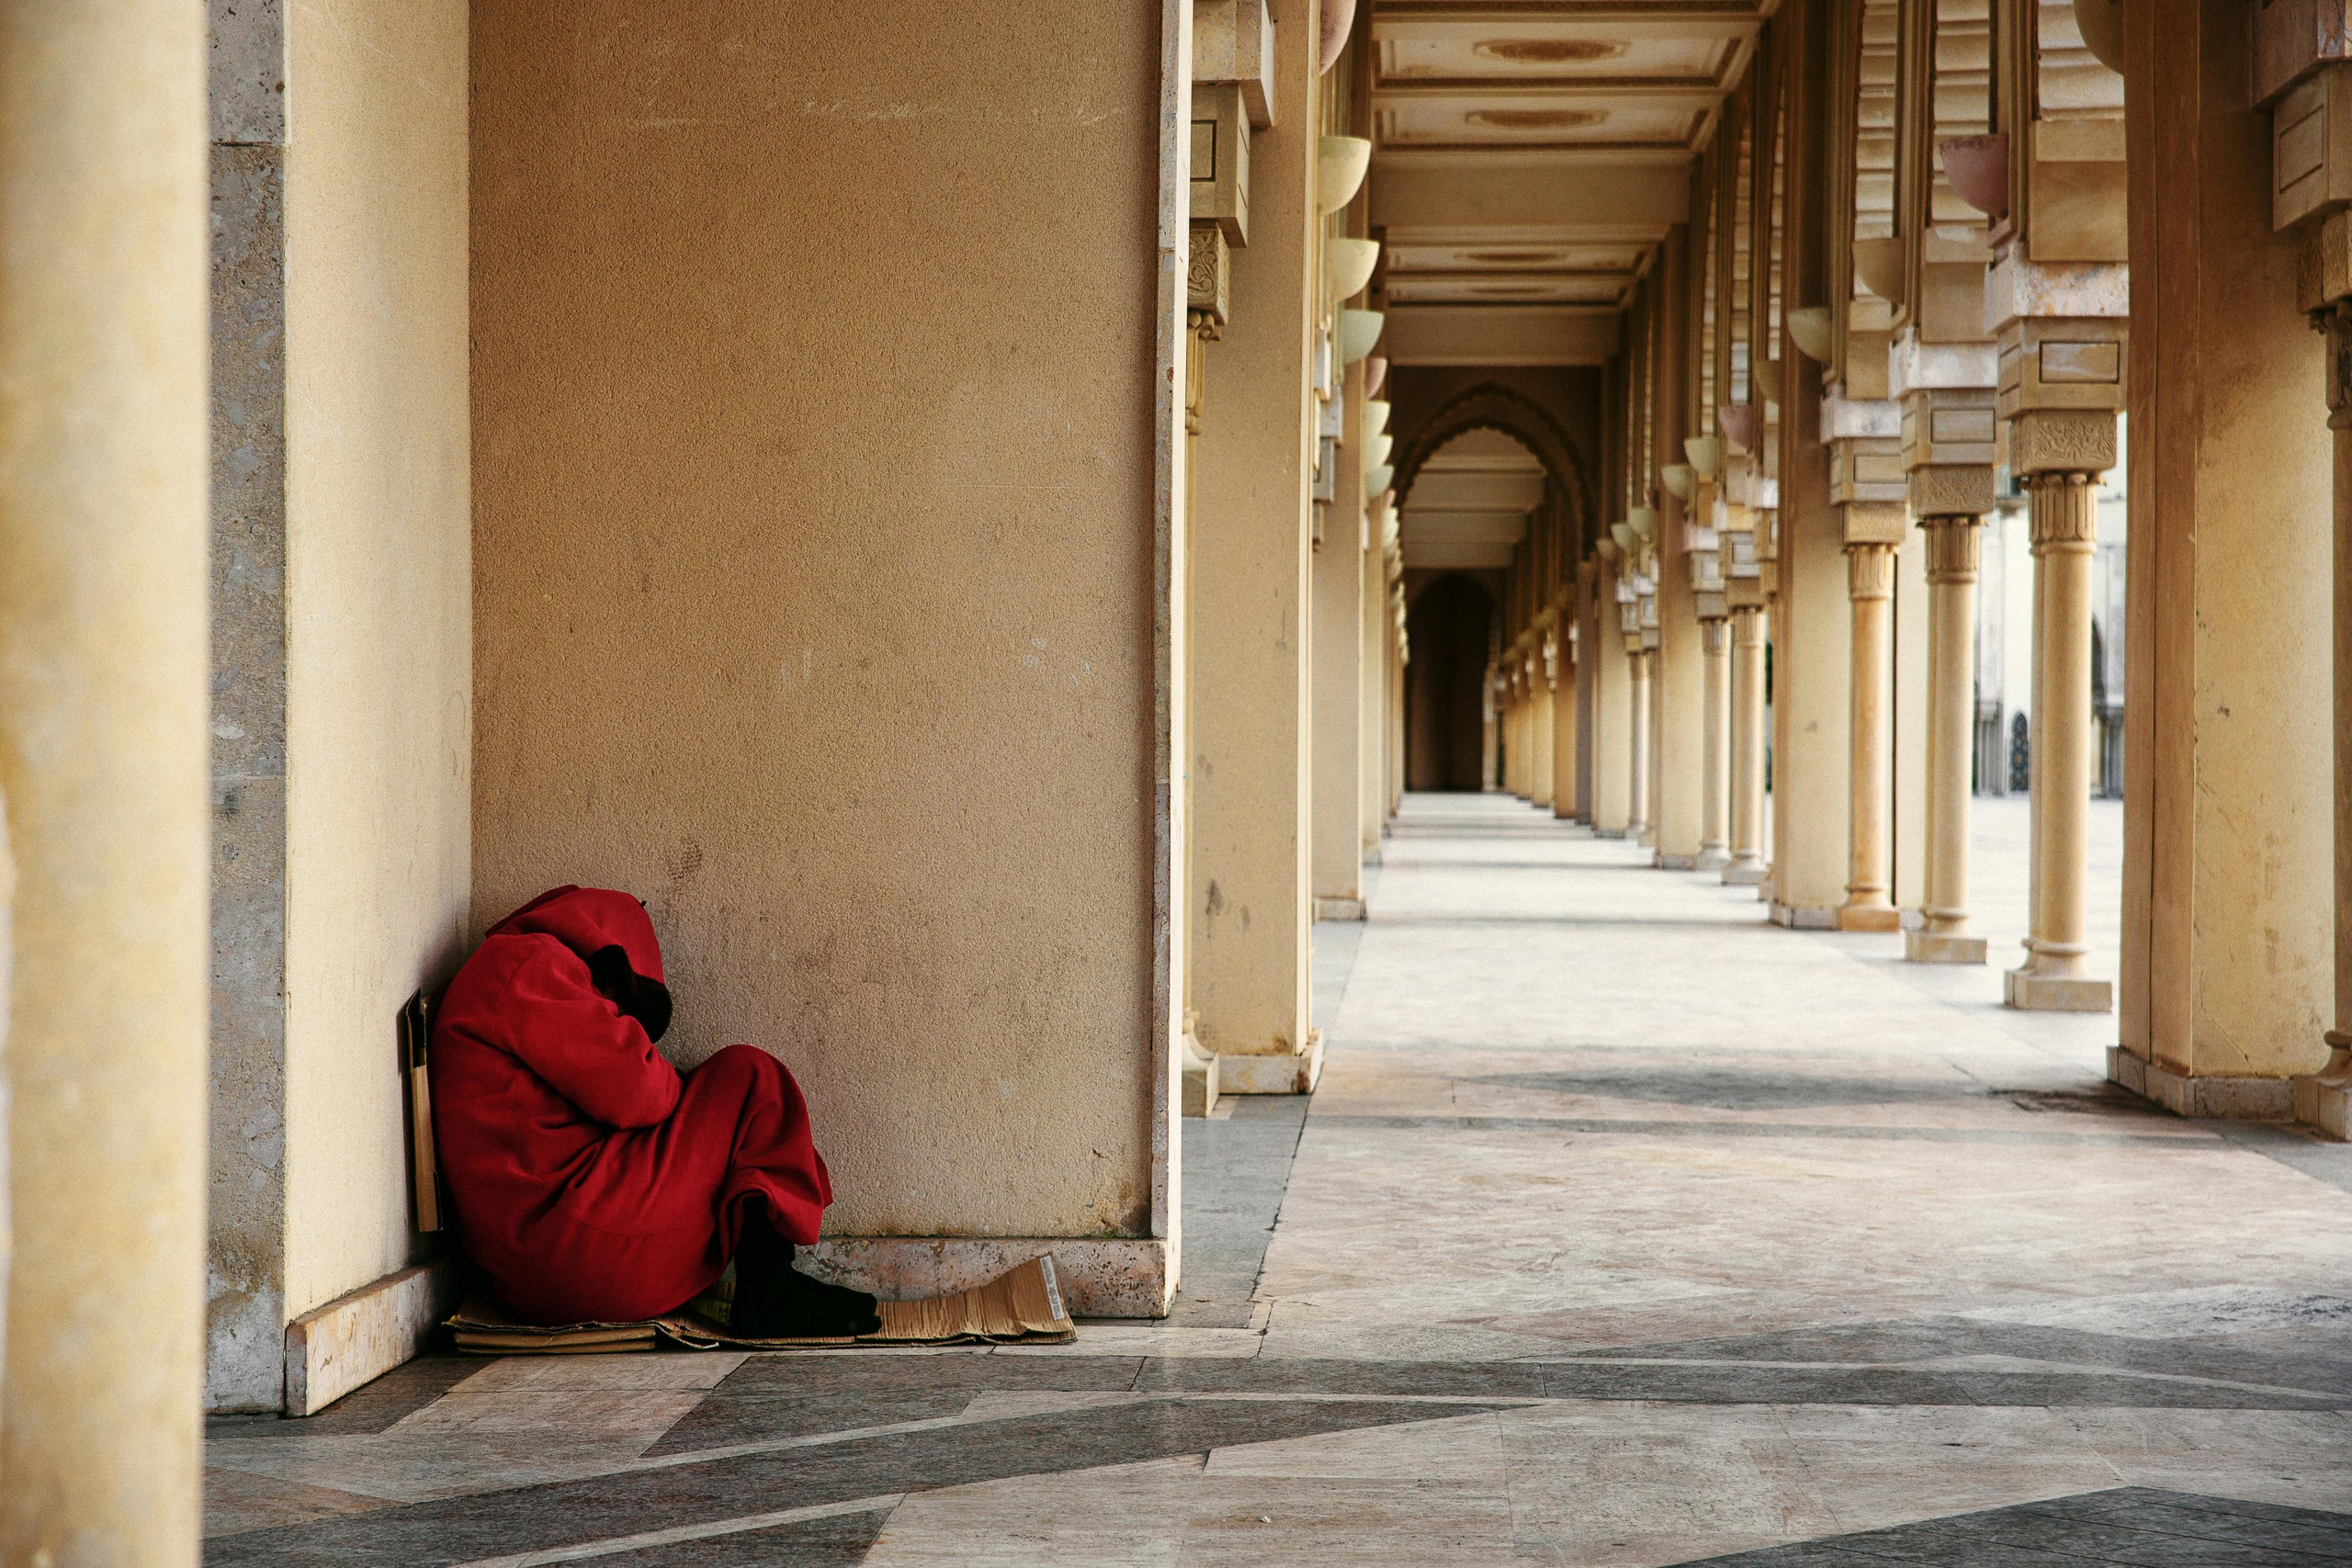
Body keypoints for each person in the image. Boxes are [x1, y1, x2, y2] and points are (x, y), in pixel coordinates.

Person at [430, 885, 879, 1336]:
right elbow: (641, 1095)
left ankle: (773, 1282)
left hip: (521, 1277)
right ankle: (769, 1287)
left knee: (730, 1098)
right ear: (611, 955)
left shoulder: (500, 972)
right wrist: (678, 1081)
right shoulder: (528, 962)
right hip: (574, 1248)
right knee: (749, 1078)